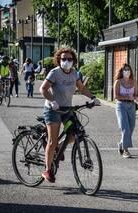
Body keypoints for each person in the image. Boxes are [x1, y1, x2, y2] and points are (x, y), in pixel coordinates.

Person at [39, 47, 100, 183]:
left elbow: (82, 88)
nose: (67, 61)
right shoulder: (54, 73)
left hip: (67, 109)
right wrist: (52, 101)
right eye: (64, 59)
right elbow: (43, 89)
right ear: (59, 60)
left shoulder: (74, 74)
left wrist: (93, 98)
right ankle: (48, 170)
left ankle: (59, 146)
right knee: (52, 141)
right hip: (53, 109)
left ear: (74, 60)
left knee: (75, 134)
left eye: (69, 59)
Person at [113, 63, 138, 158]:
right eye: (125, 70)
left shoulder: (134, 82)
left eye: (128, 69)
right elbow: (116, 96)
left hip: (131, 106)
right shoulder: (118, 82)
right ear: (122, 71)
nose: (127, 71)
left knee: (131, 127)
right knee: (125, 128)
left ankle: (121, 144)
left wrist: (137, 98)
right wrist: (127, 96)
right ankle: (125, 150)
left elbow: (135, 94)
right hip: (121, 105)